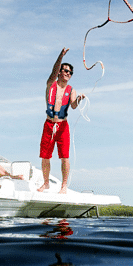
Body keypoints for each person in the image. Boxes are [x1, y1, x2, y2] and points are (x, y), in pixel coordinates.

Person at [37, 48, 85, 193]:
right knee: (45, 156)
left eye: (70, 72)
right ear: (59, 72)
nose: (67, 73)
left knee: (64, 157)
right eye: (64, 70)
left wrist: (79, 99)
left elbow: (74, 106)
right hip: (49, 124)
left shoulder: (71, 90)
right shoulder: (51, 83)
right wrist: (61, 56)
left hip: (63, 126)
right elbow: (53, 71)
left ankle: (64, 186)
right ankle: (46, 183)